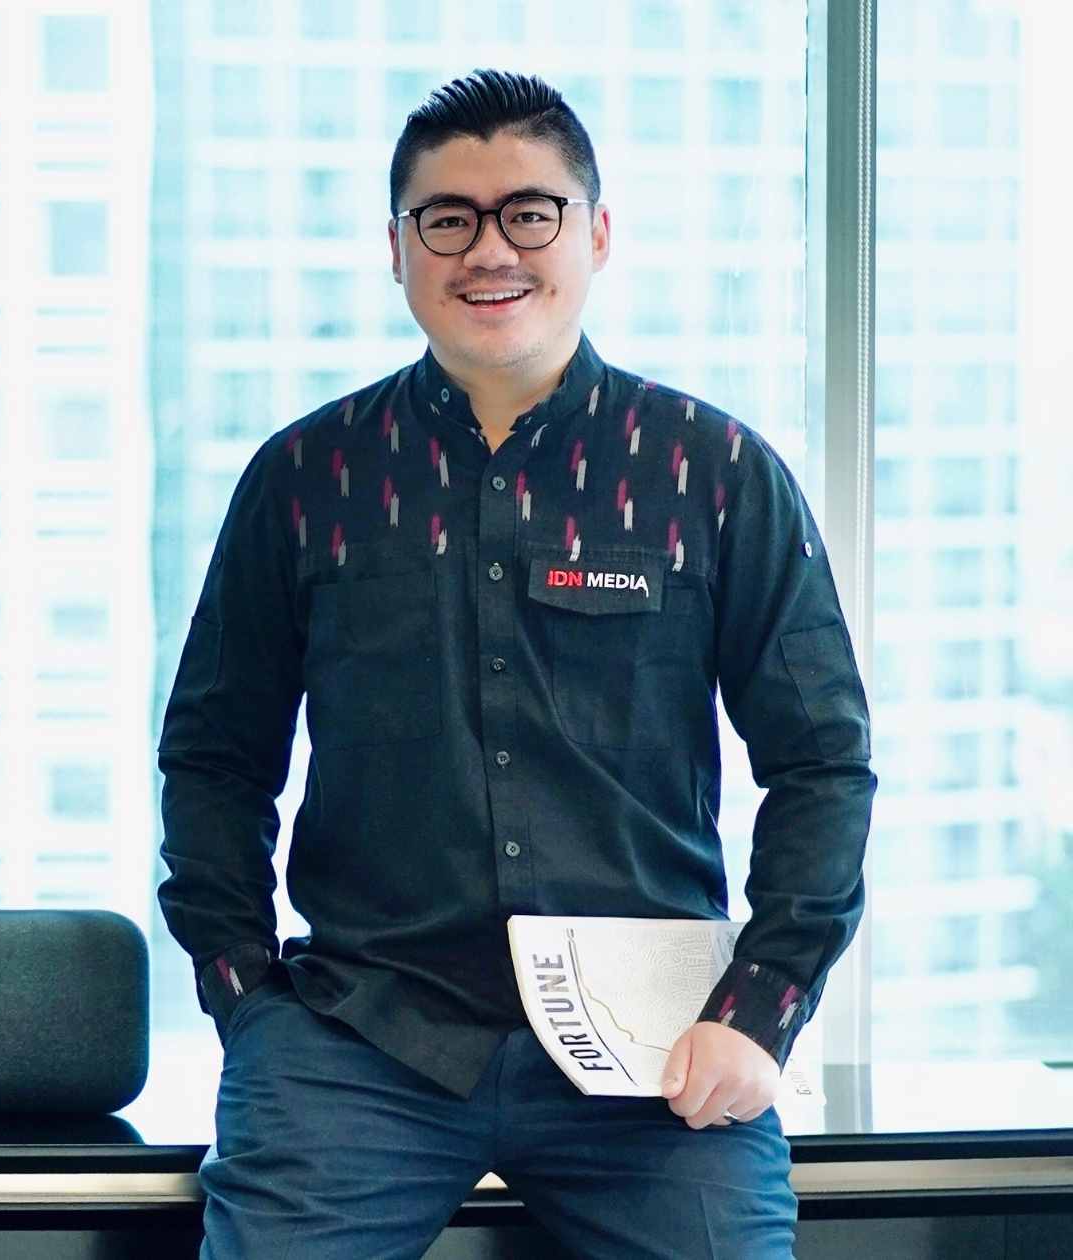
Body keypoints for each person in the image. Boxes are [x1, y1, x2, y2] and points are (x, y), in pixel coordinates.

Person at [157, 69, 873, 1259]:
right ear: (396, 249)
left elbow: (822, 762)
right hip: (359, 1044)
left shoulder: (711, 472)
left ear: (595, 233)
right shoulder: (304, 479)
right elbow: (212, 758)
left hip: (656, 1054)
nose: (488, 249)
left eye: (528, 213)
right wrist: (246, 998)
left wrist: (759, 1010)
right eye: (447, 218)